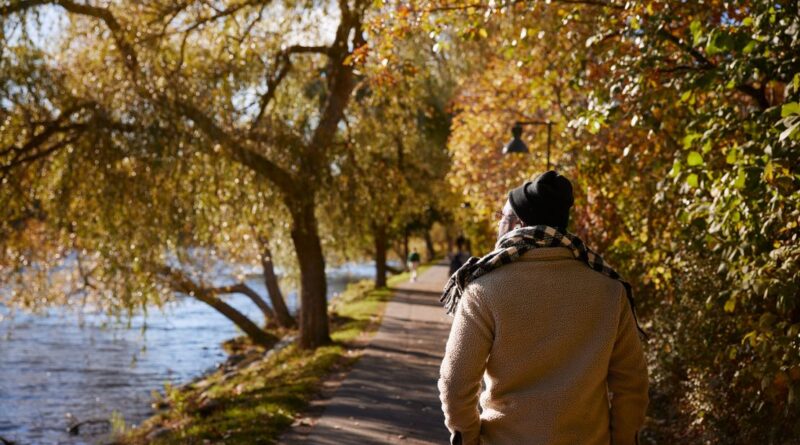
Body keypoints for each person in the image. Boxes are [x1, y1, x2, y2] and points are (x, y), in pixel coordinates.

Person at [438, 171, 649, 445]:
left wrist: (468, 438)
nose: (497, 225)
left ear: (517, 224)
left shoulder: (483, 289)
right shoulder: (610, 289)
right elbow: (632, 385)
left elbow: (455, 385)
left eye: (501, 217)